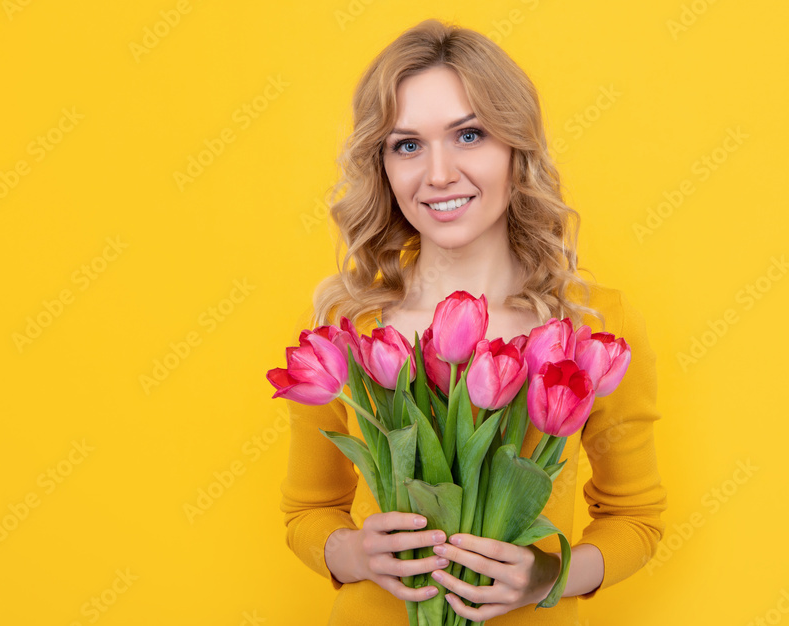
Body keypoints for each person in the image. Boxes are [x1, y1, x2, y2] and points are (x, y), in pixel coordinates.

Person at [278, 18, 667, 625]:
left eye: (470, 135)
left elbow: (635, 520)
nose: (438, 174)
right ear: (381, 166)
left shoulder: (593, 325)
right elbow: (307, 513)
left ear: (518, 149)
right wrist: (356, 553)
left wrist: (548, 575)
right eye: (407, 145)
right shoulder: (345, 329)